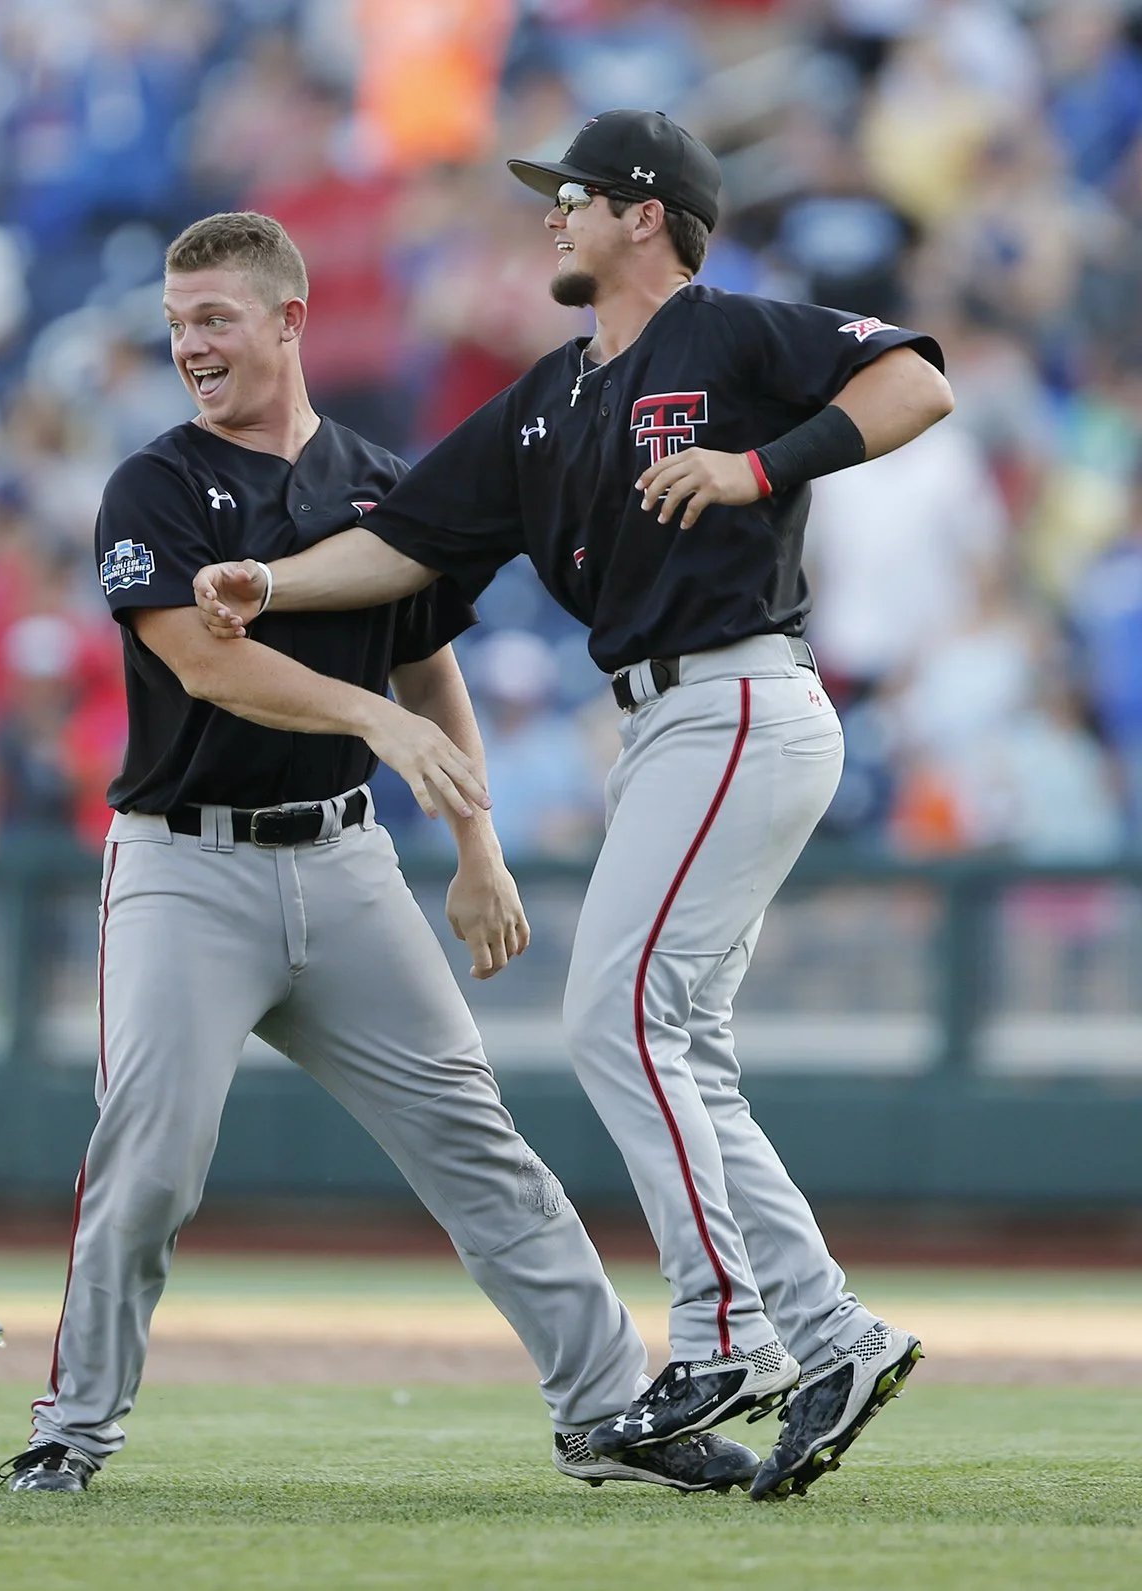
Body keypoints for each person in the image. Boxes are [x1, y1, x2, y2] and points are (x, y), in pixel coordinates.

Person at [195, 113, 952, 1500]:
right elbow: (409, 535)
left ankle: (724, 1328)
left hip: (736, 696)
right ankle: (832, 1333)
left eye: (575, 194)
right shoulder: (553, 392)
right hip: (669, 720)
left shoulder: (727, 334)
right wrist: (275, 583)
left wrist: (758, 464)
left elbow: (914, 384)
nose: (551, 214)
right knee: (678, 1046)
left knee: (616, 1013)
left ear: (645, 212)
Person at [0, 211, 763, 1497]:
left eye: (213, 319)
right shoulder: (153, 483)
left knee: (478, 1143)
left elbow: (426, 663)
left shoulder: (374, 480)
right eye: (176, 322)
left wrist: (477, 846)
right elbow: (201, 658)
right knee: (149, 1160)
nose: (189, 345)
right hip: (186, 864)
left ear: (288, 320)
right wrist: (374, 720)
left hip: (346, 863)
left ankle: (610, 1413)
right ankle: (71, 1429)